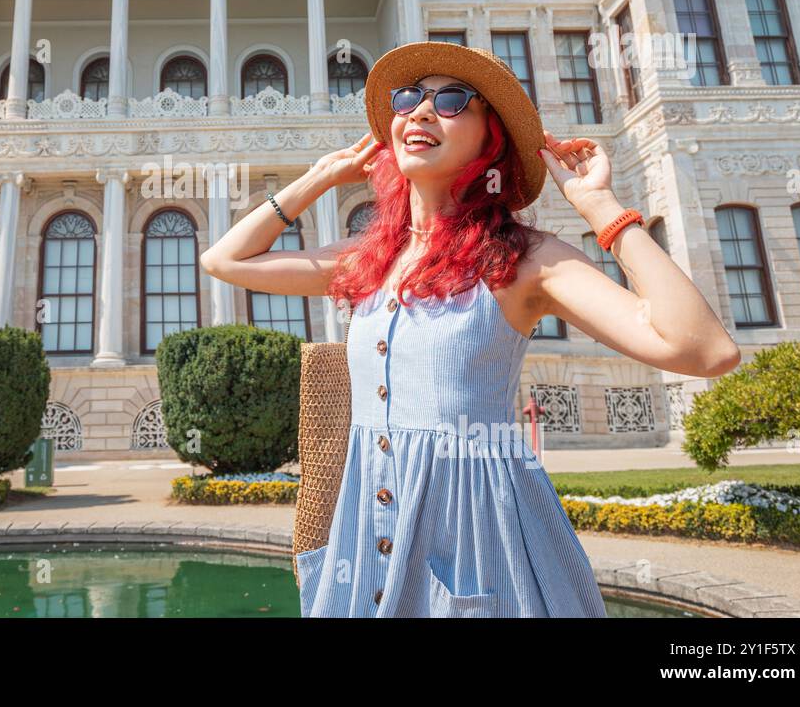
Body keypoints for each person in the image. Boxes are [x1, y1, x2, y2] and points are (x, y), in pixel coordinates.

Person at [200, 41, 742, 617]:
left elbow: (703, 349)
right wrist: (317, 178)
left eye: (453, 100)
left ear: (492, 141)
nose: (421, 111)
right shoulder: (371, 258)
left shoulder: (527, 259)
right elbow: (226, 261)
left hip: (477, 534)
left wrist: (603, 209)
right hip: (368, 538)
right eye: (407, 98)